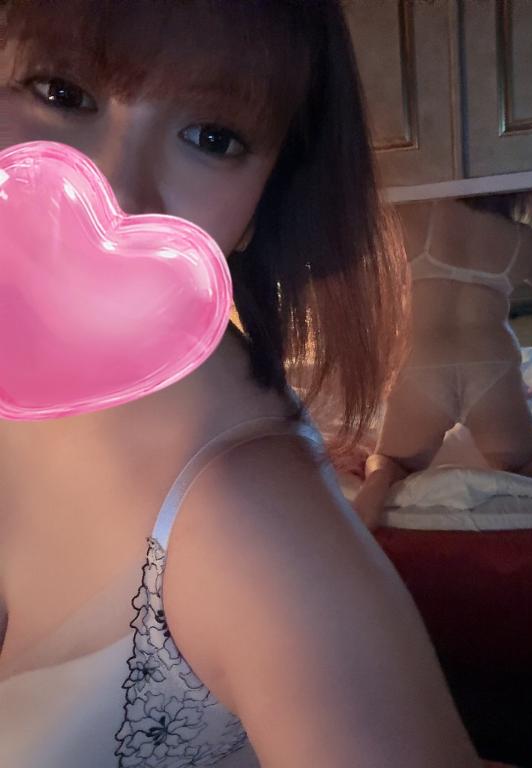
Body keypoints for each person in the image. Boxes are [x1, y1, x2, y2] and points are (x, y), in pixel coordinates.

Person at [0, 2, 482, 767]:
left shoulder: (257, 528)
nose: (117, 191)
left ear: (262, 203)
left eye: (213, 137)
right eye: (62, 92)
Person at [354, 192, 532, 532]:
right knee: (531, 461)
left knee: (391, 462)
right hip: (492, 365)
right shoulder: (521, 239)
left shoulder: (407, 217)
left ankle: (376, 485)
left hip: (423, 364)